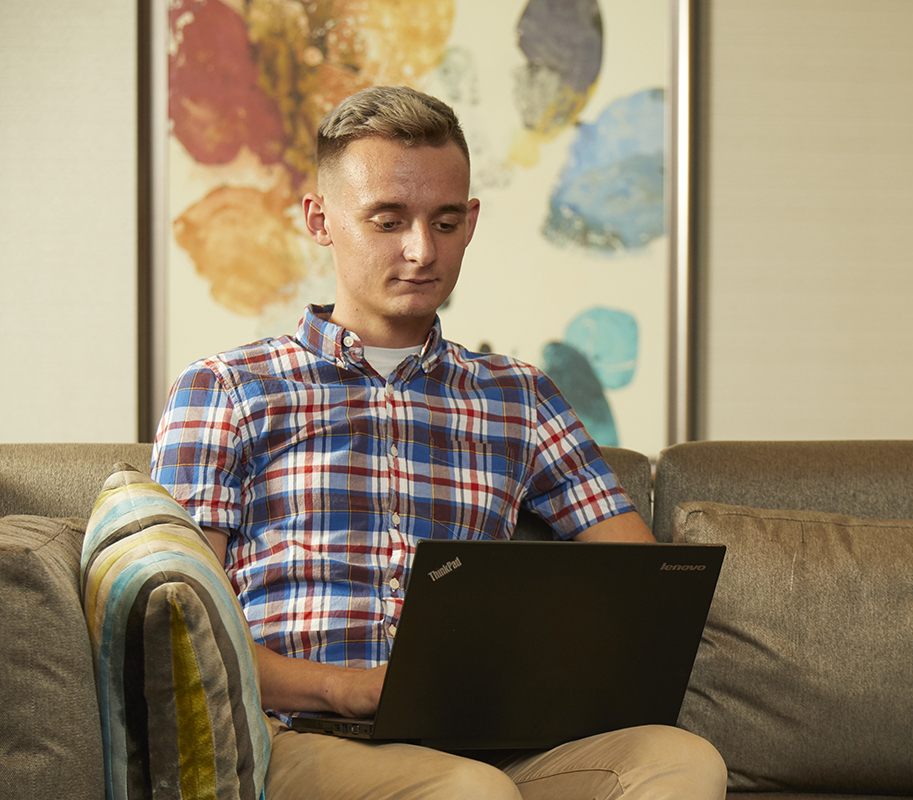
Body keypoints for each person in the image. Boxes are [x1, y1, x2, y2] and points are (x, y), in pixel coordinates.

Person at [151, 85, 727, 799]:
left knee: (682, 761)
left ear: (471, 221)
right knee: (468, 793)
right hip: (301, 741)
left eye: (445, 222)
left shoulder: (519, 396)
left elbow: (643, 589)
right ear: (320, 218)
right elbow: (184, 630)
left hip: (490, 746)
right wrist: (351, 689)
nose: (422, 251)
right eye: (388, 221)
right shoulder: (224, 390)